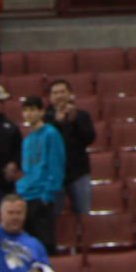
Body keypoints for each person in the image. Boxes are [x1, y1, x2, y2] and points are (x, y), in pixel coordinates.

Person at [15, 100, 64, 256]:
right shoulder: (27, 139)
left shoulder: (51, 133)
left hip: (42, 195)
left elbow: (56, 165)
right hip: (26, 195)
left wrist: (47, 194)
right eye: (26, 110)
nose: (29, 114)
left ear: (41, 112)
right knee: (29, 246)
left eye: (33, 110)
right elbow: (26, 169)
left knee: (45, 244)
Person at [45, 80, 96, 221]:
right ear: (50, 98)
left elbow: (89, 138)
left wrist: (74, 121)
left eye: (62, 92)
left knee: (84, 216)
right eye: (55, 93)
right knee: (53, 218)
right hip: (54, 176)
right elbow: (45, 143)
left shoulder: (82, 115)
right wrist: (57, 123)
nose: (59, 96)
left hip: (79, 173)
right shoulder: (45, 118)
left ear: (70, 94)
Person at [0, 87, 22, 190]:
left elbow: (19, 150)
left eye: (1, 101)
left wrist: (14, 163)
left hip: (4, 181)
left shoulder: (10, 127)